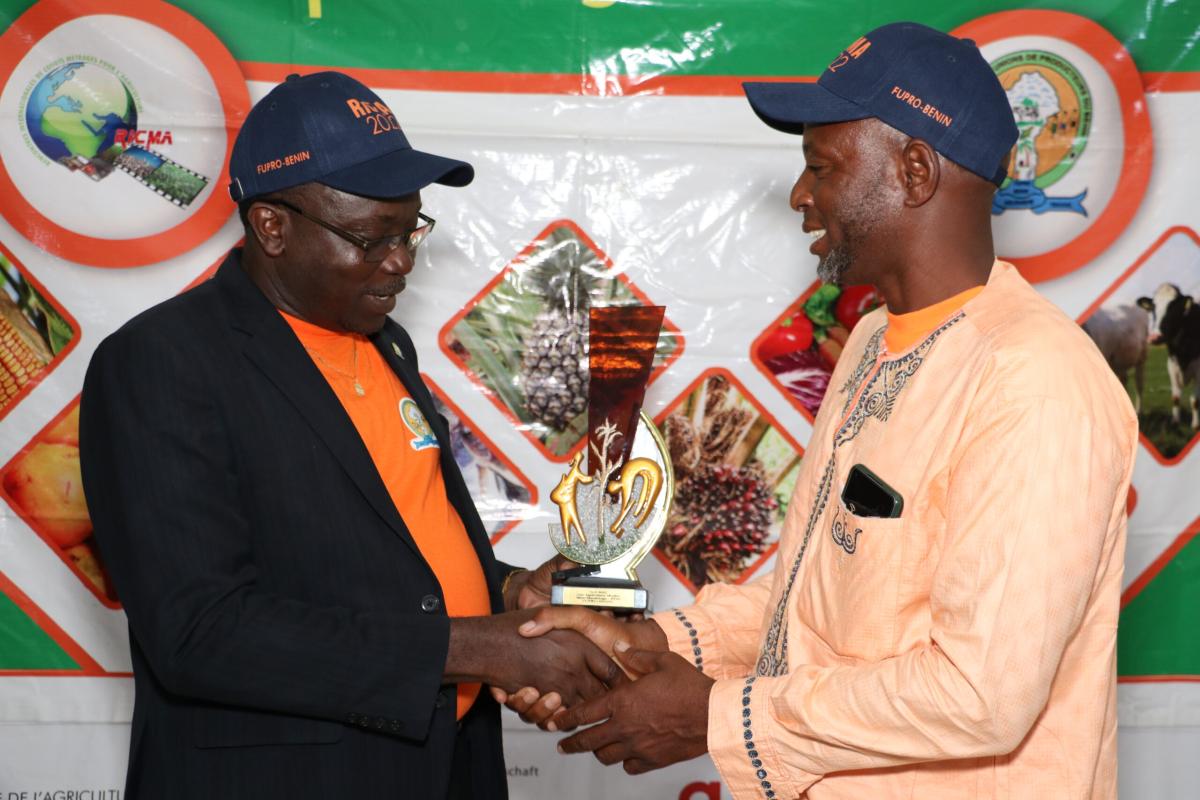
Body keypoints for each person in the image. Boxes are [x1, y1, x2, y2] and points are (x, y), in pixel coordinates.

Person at [501, 22, 1138, 799]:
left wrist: (717, 716)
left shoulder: (1033, 380)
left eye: (822, 167)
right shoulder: (873, 340)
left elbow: (979, 695)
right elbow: (818, 604)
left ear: (914, 171)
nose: (801, 196)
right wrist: (648, 644)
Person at [79, 71, 623, 800]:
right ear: (272, 226)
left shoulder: (385, 342)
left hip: (444, 764)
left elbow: (388, 557)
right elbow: (201, 631)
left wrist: (508, 592)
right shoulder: (161, 362)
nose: (401, 261)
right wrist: (474, 649)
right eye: (372, 239)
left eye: (412, 231)